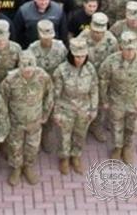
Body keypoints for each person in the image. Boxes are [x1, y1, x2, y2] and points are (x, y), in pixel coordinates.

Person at [98, 32, 137, 164]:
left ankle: (127, 147)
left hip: (135, 101)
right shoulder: (111, 62)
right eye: (126, 49)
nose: (129, 52)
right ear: (121, 48)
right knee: (116, 126)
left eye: (132, 49)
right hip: (116, 101)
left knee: (132, 127)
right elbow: (103, 80)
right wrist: (104, 99)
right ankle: (117, 147)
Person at [0, 50, 53, 186]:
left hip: (35, 121)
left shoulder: (43, 77)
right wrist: (5, 120)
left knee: (32, 146)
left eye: (30, 67)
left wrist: (45, 115)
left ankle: (28, 167)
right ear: (19, 66)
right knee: (15, 146)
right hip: (15, 122)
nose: (28, 71)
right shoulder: (10, 81)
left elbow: (49, 96)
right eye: (24, 67)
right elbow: (2, 102)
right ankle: (16, 169)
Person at [51, 36, 98, 175]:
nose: (79, 59)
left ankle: (76, 156)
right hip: (66, 109)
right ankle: (64, 158)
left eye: (82, 56)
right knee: (64, 136)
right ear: (71, 55)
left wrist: (93, 109)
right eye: (77, 56)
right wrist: (56, 113)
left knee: (80, 135)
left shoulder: (90, 69)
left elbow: (94, 90)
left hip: (84, 109)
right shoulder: (61, 71)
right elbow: (55, 94)